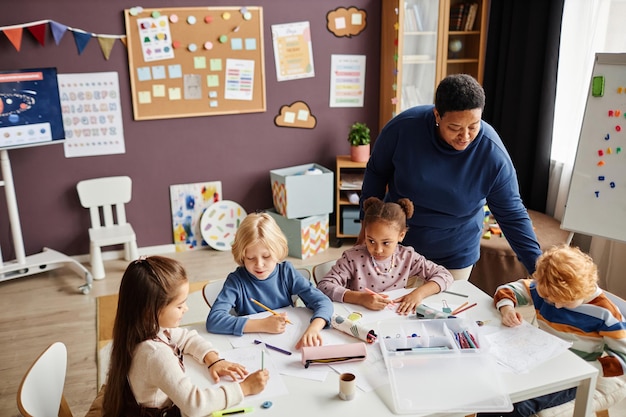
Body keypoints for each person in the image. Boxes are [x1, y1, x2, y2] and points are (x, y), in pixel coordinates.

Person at [359, 73, 542, 281]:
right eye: (455, 128)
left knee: (447, 311)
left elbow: (512, 214)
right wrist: (366, 225)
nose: (465, 137)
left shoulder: (492, 155)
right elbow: (376, 172)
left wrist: (538, 268)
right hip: (397, 245)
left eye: (473, 126)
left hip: (456, 254)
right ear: (437, 115)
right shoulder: (403, 128)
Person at [102, 255, 269, 417]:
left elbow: (186, 337)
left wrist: (213, 359)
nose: (186, 309)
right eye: (180, 305)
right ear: (150, 311)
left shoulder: (140, 327)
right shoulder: (154, 353)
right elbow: (195, 405)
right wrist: (244, 388)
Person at [478, 244, 626, 417]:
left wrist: (585, 369)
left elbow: (621, 359)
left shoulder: (606, 313)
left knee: (517, 407)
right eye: (548, 299)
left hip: (572, 378)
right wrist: (507, 309)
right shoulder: (545, 290)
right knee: (491, 392)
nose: (556, 305)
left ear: (582, 290)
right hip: (538, 362)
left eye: (565, 301)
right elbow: (507, 290)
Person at [206, 212, 333, 349]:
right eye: (250, 258)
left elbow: (323, 302)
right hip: (253, 346)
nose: (259, 264)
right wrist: (262, 324)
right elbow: (214, 320)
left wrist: (313, 328)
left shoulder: (286, 272)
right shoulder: (236, 281)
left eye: (266, 256)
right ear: (242, 257)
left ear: (278, 252)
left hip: (287, 342)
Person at [317, 197, 453, 315]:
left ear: (401, 235)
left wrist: (418, 294)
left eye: (386, 243)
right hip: (358, 316)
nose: (378, 249)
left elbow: (445, 275)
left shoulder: (407, 257)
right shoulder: (352, 257)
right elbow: (324, 286)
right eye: (371, 240)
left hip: (393, 317)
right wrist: (360, 298)